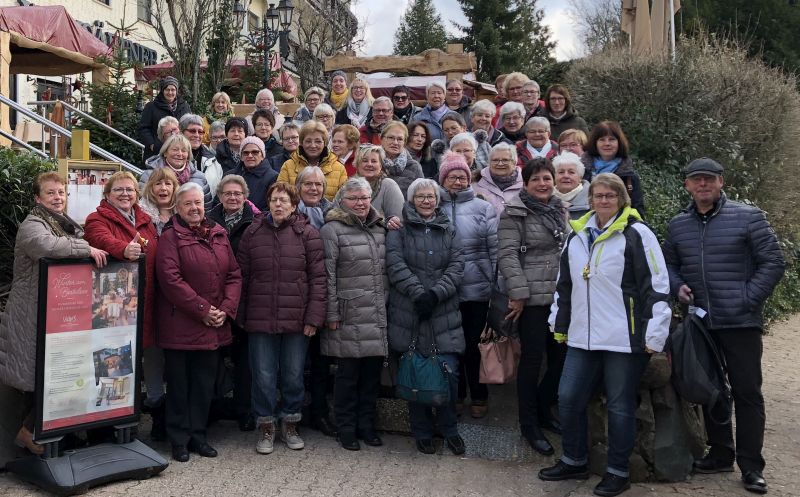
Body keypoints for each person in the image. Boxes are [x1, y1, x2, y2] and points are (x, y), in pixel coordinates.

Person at [540, 173, 670, 497]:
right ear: (591, 199)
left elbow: (656, 285)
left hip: (623, 339)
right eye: (597, 196)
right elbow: (564, 284)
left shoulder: (637, 233)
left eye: (609, 196)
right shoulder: (578, 234)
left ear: (621, 199)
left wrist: (654, 332)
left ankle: (618, 471)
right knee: (568, 397)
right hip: (582, 336)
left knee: (620, 406)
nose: (603, 201)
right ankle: (573, 459)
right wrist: (560, 322)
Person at [662, 158, 784, 495]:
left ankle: (751, 466)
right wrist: (677, 287)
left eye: (709, 180)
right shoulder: (678, 225)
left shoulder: (748, 216)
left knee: (747, 393)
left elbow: (773, 262)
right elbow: (669, 264)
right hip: (700, 321)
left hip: (740, 321)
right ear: (687, 185)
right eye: (696, 180)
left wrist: (747, 298)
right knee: (711, 389)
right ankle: (720, 453)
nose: (703, 185)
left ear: (721, 182)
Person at [0, 172, 107, 455]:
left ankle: (50, 433)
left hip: (56, 313)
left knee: (58, 372)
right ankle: (28, 432)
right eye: (51, 193)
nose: (58, 197)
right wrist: (87, 248)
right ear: (38, 198)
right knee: (40, 375)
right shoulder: (32, 225)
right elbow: (49, 247)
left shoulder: (64, 224)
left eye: (61, 192)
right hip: (30, 314)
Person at [155, 182, 242, 462]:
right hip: (181, 326)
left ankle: (199, 436)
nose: (194, 208)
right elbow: (171, 280)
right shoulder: (170, 237)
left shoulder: (218, 233)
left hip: (213, 325)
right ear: (178, 208)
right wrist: (203, 309)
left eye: (198, 203)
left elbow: (233, 275)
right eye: (188, 204)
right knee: (180, 386)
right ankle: (179, 440)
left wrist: (225, 309)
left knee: (204, 385)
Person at [237, 183, 326, 455]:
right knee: (263, 376)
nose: (278, 205)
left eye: (284, 201)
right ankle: (265, 424)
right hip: (260, 318)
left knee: (293, 375)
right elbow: (241, 276)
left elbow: (319, 280)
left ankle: (290, 422)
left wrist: (313, 318)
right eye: (274, 200)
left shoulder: (308, 234)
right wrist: (241, 315)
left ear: (293, 204)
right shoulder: (252, 233)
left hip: (297, 320)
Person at [386, 178, 465, 455]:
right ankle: (421, 431)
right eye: (420, 196)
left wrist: (435, 294)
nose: (426, 200)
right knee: (414, 371)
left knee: (448, 372)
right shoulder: (399, 228)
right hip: (410, 310)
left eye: (430, 196)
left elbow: (457, 265)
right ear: (411, 200)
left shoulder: (449, 229)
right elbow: (395, 264)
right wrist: (419, 294)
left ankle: (449, 428)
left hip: (443, 310)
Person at [498, 158, 568, 457]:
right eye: (536, 179)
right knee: (532, 360)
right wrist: (518, 294)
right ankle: (529, 424)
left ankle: (543, 408)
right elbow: (508, 255)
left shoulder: (559, 209)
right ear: (525, 183)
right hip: (531, 300)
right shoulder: (514, 212)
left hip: (560, 297)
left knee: (561, 359)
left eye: (547, 178)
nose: (543, 183)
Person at [84, 171, 161, 437]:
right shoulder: (97, 218)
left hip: (148, 301)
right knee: (114, 362)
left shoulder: (146, 221)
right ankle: (109, 425)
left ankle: (151, 416)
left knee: (150, 359)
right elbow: (99, 239)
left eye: (129, 190)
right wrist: (122, 249)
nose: (125, 194)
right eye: (119, 190)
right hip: (116, 309)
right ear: (107, 195)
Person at [320, 177, 388, 451]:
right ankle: (346, 428)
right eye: (354, 199)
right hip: (348, 315)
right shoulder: (332, 230)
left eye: (364, 198)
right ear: (342, 201)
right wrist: (331, 314)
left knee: (371, 377)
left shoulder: (380, 228)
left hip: (377, 313)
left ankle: (366, 426)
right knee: (347, 378)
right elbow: (328, 276)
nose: (360, 203)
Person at [437, 153, 498, 419]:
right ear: (443, 179)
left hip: (477, 288)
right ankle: (457, 393)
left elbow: (494, 249)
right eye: (452, 176)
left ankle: (479, 394)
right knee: (451, 345)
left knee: (474, 345)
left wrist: (496, 283)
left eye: (462, 176)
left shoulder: (483, 207)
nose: (458, 181)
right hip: (445, 289)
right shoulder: (432, 204)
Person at [207, 175, 260, 432]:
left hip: (245, 300)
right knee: (212, 357)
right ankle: (211, 407)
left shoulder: (256, 222)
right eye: (227, 193)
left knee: (245, 361)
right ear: (219, 196)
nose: (233, 198)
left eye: (238, 193)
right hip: (214, 300)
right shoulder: (207, 220)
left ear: (245, 196)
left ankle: (244, 410)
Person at [294, 167, 337, 437]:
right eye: (308, 184)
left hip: (323, 294)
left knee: (321, 362)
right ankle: (295, 414)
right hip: (295, 298)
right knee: (295, 363)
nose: (313, 189)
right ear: (298, 187)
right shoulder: (287, 213)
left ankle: (319, 412)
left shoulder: (333, 215)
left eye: (318, 185)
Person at [582, 121, 645, 217]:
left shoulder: (629, 177)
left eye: (612, 139)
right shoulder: (581, 172)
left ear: (619, 142)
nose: (607, 143)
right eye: (602, 140)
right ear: (595, 143)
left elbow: (638, 211)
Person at [277, 120, 348, 201]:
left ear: (324, 143)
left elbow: (343, 200)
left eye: (318, 141)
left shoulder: (339, 168)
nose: (313, 145)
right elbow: (280, 196)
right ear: (301, 142)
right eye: (308, 141)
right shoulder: (288, 166)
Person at [140, 134, 212, 208]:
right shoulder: (149, 175)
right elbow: (143, 206)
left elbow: (206, 208)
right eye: (175, 150)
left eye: (184, 151)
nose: (179, 154)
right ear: (165, 152)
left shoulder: (200, 177)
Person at [350, 145, 404, 230]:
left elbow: (398, 222)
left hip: (380, 238)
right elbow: (336, 212)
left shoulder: (388, 185)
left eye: (374, 161)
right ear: (357, 164)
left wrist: (387, 223)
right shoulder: (348, 187)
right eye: (365, 161)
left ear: (381, 166)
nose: (369, 164)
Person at [139, 76, 191, 161]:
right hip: (157, 152)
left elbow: (188, 126)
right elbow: (143, 128)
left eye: (173, 90)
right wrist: (152, 144)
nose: (170, 92)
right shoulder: (151, 107)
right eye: (167, 89)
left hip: (179, 151)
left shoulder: (184, 106)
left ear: (176, 91)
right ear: (162, 91)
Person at [225, 136, 278, 211]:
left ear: (262, 155)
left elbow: (271, 207)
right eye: (246, 153)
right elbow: (219, 201)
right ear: (241, 157)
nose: (250, 156)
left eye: (255, 152)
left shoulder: (273, 177)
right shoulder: (229, 176)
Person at [473, 142, 524, 216]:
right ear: (489, 163)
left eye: (505, 160)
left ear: (514, 163)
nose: (500, 164)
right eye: (495, 160)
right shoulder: (476, 184)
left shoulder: (526, 184)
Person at [181, 114, 224, 200]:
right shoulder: (173, 158)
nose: (197, 135)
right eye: (192, 131)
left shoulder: (213, 161)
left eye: (200, 132)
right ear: (181, 132)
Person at [380, 121, 423, 197]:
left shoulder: (414, 167)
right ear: (381, 139)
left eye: (400, 139)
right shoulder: (372, 163)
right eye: (391, 138)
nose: (395, 142)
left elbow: (421, 195)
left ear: (404, 142)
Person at [139, 167, 179, 235]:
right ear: (151, 188)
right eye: (158, 183)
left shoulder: (183, 215)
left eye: (168, 183)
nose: (163, 188)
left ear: (174, 188)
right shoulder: (140, 215)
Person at [552, 152, 590, 219]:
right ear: (554, 176)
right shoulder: (545, 199)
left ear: (580, 177)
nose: (566, 176)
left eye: (571, 172)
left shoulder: (592, 200)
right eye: (561, 172)